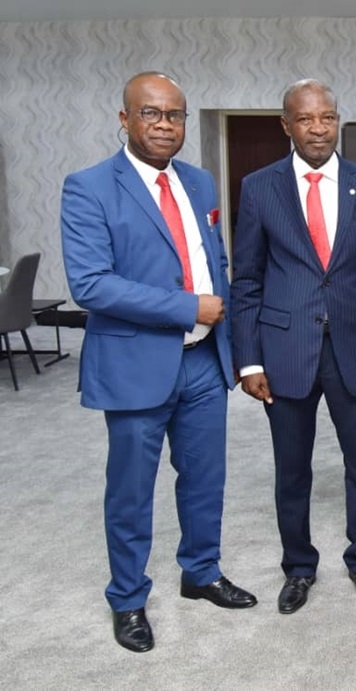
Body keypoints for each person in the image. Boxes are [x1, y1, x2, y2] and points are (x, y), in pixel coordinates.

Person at [60, 72, 256, 653]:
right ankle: (127, 598)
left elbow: (213, 263)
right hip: (134, 364)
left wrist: (231, 340)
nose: (165, 124)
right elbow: (91, 285)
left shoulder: (199, 182)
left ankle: (200, 572)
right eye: (151, 114)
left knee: (205, 479)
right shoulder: (89, 186)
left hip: (202, 363)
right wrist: (187, 306)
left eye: (174, 114)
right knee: (130, 490)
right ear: (125, 119)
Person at [230, 79, 356, 615]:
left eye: (327, 118)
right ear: (286, 125)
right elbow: (248, 280)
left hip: (354, 347)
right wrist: (249, 358)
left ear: (338, 122)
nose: (318, 128)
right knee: (293, 469)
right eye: (306, 119)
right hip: (285, 352)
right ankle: (299, 567)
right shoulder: (259, 188)